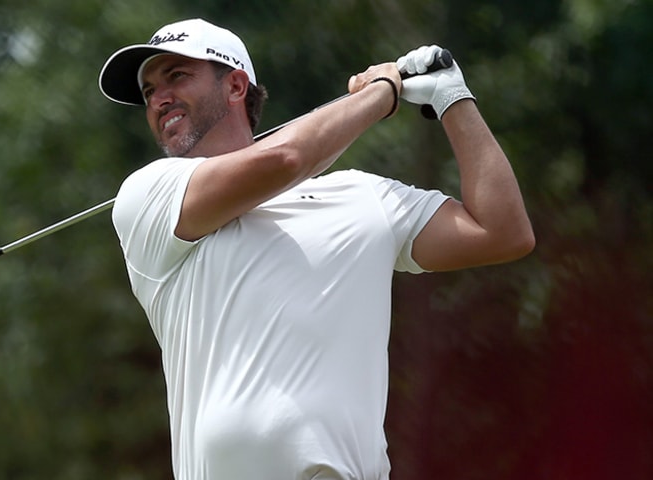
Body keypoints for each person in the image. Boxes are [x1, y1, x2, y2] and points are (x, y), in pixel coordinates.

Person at [98, 18, 534, 480]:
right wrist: (381, 94)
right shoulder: (148, 197)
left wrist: (452, 98)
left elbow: (502, 231)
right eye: (148, 91)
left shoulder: (362, 197)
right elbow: (284, 160)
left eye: (176, 76)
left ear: (236, 86)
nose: (158, 98)